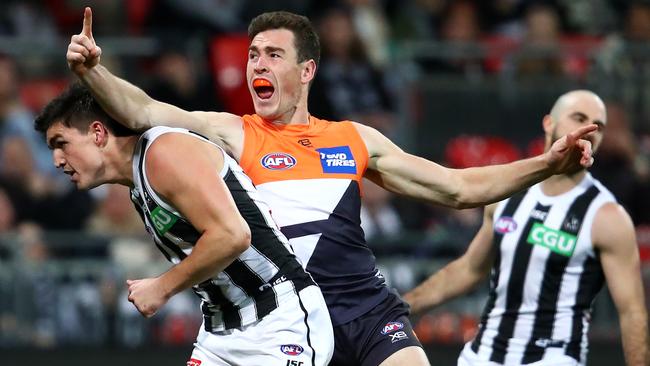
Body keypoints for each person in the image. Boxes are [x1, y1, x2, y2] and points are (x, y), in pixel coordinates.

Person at [67, 7, 597, 365]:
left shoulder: (352, 139)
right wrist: (95, 71)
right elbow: (143, 109)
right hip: (283, 318)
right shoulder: (231, 131)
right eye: (252, 55)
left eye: (273, 55)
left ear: (307, 70)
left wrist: (546, 166)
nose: (257, 64)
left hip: (365, 308)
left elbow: (458, 188)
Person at [34, 83, 334, 366]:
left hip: (278, 319)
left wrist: (161, 288)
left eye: (61, 143)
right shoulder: (138, 183)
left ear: (98, 133)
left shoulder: (163, 153)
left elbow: (233, 235)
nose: (57, 160)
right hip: (221, 330)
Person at [404, 90, 649, 366]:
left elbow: (632, 312)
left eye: (598, 126)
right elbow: (469, 269)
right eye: (579, 118)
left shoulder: (607, 217)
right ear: (548, 124)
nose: (589, 130)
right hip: (482, 357)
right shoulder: (506, 192)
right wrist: (400, 308)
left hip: (553, 359)